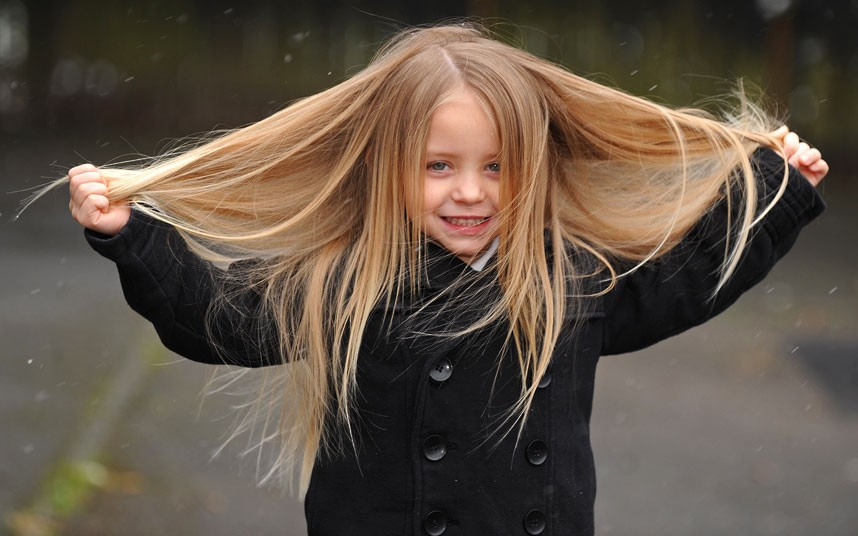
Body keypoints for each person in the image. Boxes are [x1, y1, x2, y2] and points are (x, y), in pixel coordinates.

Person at [64, 24, 827, 536]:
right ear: (388, 165)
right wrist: (134, 235)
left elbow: (685, 281)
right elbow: (218, 319)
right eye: (439, 166)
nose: (471, 192)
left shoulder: (567, 278)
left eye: (497, 166)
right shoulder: (350, 280)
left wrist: (778, 190)